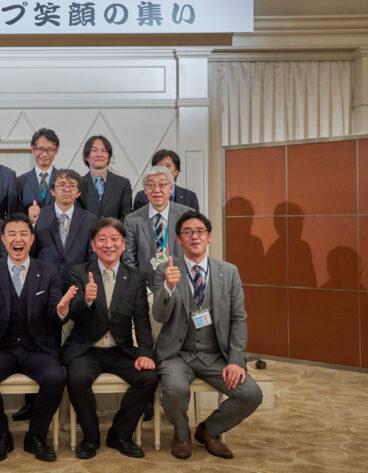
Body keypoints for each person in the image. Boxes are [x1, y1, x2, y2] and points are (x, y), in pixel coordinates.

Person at [0, 214, 76, 462]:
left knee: (55, 377)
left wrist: (61, 310)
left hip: (37, 348)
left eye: (23, 234)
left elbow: (55, 314)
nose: (18, 239)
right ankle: (1, 435)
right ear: (3, 240)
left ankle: (36, 436)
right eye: (12, 234)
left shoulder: (48, 271)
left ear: (32, 239)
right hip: (0, 348)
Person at [153, 211, 263, 460]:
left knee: (251, 394)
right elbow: (159, 316)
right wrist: (168, 287)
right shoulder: (166, 269)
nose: (194, 236)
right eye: (187, 232)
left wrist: (236, 360)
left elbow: (238, 319)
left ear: (209, 237)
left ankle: (208, 430)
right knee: (174, 391)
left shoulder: (229, 272)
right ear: (179, 239)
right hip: (177, 355)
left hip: (215, 355)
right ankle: (182, 434)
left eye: (200, 231)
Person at [63, 218, 158, 459]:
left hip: (120, 350)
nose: (109, 244)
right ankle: (90, 437)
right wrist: (87, 301)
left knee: (148, 377)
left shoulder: (135, 277)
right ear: (93, 245)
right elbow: (72, 313)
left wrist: (145, 353)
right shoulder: (78, 273)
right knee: (77, 378)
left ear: (123, 245)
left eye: (115, 239)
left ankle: (120, 434)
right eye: (102, 239)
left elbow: (142, 319)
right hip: (86, 349)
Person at [122, 166, 190, 286]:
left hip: (181, 284)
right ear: (145, 190)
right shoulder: (132, 220)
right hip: (146, 286)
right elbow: (129, 260)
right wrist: (139, 288)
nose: (156, 190)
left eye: (162, 185)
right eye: (151, 185)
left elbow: (193, 251)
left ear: (171, 188)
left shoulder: (187, 215)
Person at [29, 169, 96, 283]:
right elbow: (29, 251)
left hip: (77, 283)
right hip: (43, 281)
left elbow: (93, 256)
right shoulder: (38, 216)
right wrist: (32, 224)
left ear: (78, 193)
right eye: (62, 185)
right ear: (52, 191)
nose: (67, 189)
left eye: (72, 186)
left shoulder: (90, 220)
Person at [77, 135, 132, 220]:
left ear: (109, 157)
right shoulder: (78, 185)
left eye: (104, 151)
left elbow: (126, 217)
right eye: (94, 150)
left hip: (116, 228)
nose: (99, 154)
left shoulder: (123, 184)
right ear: (86, 156)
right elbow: (77, 217)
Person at [133, 150, 200, 211]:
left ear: (176, 171)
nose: (164, 169)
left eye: (168, 165)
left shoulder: (190, 197)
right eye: (160, 166)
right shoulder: (141, 196)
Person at [17, 129, 60, 213]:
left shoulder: (64, 180)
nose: (44, 154)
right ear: (32, 148)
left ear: (56, 150)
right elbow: (16, 215)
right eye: (40, 149)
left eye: (50, 149)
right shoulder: (20, 182)